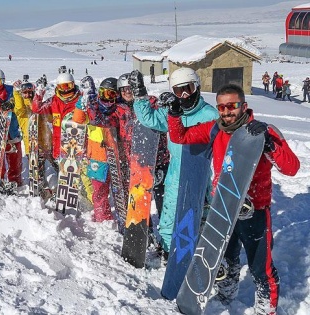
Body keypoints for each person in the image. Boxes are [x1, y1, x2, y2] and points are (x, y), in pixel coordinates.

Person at [167, 83, 299, 315]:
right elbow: (181, 137)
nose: (227, 112)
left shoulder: (262, 132)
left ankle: (265, 308)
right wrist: (174, 114)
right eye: (222, 107)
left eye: (232, 106)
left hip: (255, 211)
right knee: (226, 263)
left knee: (261, 269)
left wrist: (269, 145)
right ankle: (226, 295)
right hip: (224, 211)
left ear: (243, 106)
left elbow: (292, 168)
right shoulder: (215, 129)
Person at [129, 67, 219, 260]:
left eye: (189, 88)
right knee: (169, 218)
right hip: (175, 175)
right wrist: (141, 96)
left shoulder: (209, 115)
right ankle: (169, 253)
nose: (185, 95)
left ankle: (199, 254)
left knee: (196, 218)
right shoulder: (171, 114)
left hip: (198, 175)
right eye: (179, 91)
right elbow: (149, 119)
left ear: (198, 88)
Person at [73, 77, 134, 222]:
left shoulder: (119, 109)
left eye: (111, 94)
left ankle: (125, 216)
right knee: (99, 191)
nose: (107, 98)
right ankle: (103, 218)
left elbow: (104, 122)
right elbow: (78, 120)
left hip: (118, 158)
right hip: (97, 157)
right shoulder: (92, 105)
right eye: (104, 93)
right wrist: (81, 104)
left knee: (122, 191)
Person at [32, 72, 94, 203]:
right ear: (58, 87)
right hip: (60, 148)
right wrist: (39, 92)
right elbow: (37, 109)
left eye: (69, 85)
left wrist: (89, 93)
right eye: (63, 86)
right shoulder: (54, 101)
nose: (66, 89)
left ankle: (89, 203)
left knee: (84, 178)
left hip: (79, 147)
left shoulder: (80, 100)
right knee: (65, 176)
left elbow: (93, 111)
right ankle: (68, 198)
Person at [118, 74, 170, 227]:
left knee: (163, 201)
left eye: (130, 88)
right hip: (136, 164)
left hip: (158, 160)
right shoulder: (119, 110)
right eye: (124, 89)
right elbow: (100, 119)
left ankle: (167, 233)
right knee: (140, 202)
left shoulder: (151, 102)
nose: (127, 92)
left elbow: (164, 117)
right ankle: (145, 233)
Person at [12, 75, 56, 176]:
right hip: (32, 145)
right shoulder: (21, 109)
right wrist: (17, 93)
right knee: (38, 173)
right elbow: (19, 108)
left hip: (46, 143)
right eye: (25, 93)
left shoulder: (38, 104)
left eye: (29, 92)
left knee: (57, 164)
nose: (27, 95)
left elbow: (49, 117)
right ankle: (41, 189)